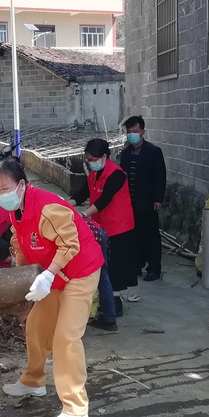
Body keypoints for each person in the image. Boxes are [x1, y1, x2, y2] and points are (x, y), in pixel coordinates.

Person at [0, 159, 103, 417]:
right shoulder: (15, 211)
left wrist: (49, 275)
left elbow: (70, 244)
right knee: (36, 326)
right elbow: (21, 248)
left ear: (22, 185)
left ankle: (76, 408)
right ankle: (33, 381)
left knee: (66, 337)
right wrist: (25, 290)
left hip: (79, 272)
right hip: (50, 276)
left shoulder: (49, 207)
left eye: (6, 188)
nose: (1, 196)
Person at [71, 138, 139, 330]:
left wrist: (82, 215)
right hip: (101, 227)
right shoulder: (94, 173)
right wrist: (66, 205)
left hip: (118, 226)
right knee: (105, 268)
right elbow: (82, 193)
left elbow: (104, 200)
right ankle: (109, 308)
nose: (89, 161)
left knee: (113, 269)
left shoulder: (117, 174)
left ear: (104, 157)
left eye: (92, 158)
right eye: (87, 158)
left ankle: (114, 307)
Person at [119, 116, 167, 281]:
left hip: (147, 202)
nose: (132, 134)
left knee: (151, 236)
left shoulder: (153, 152)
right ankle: (137, 265)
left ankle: (154, 268)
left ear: (143, 132)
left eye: (135, 131)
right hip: (130, 203)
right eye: (129, 132)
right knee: (134, 236)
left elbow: (160, 177)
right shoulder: (125, 154)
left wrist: (158, 199)